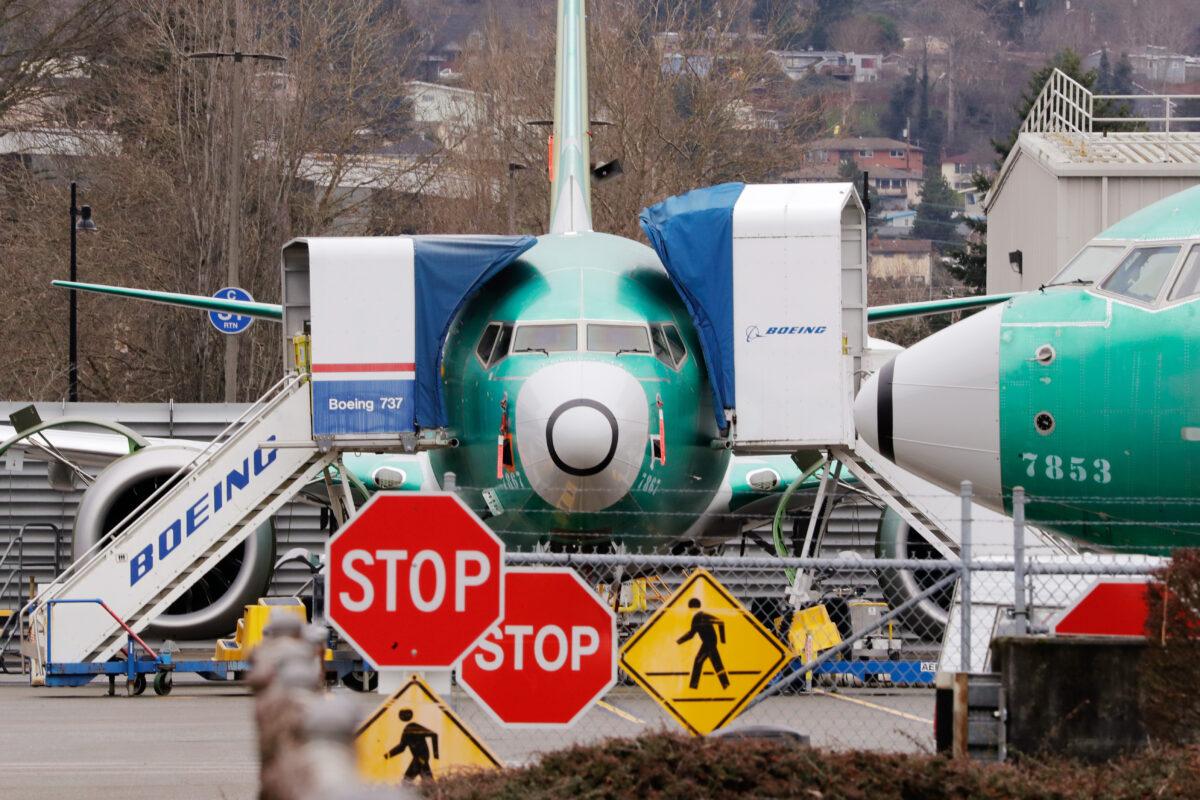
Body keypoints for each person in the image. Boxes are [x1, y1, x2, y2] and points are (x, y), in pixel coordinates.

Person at [676, 597, 730, 690]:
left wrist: (723, 640)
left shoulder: (703, 616)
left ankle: (694, 686)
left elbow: (721, 622)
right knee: (714, 663)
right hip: (707, 642)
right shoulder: (696, 618)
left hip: (710, 642)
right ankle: (725, 684)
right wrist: (679, 641)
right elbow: (691, 634)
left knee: (700, 661)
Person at [384, 708, 439, 780]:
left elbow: (434, 735)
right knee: (427, 781)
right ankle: (433, 789)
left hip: (421, 758)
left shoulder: (413, 726)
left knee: (406, 781)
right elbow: (402, 747)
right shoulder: (406, 730)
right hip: (419, 758)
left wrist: (436, 754)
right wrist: (388, 755)